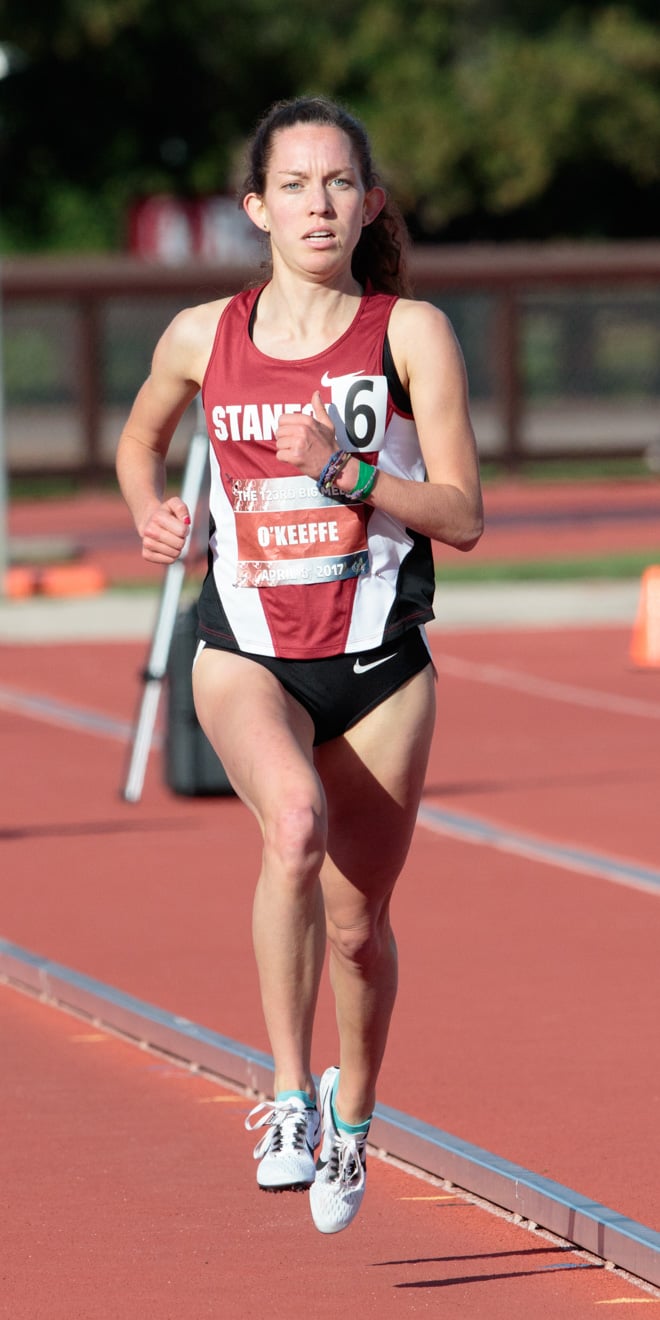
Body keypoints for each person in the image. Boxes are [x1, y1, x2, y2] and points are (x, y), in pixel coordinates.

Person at [116, 94, 483, 1235]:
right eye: (294, 185)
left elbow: (464, 515)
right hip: (247, 652)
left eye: (338, 184)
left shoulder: (409, 333)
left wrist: (351, 477)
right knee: (293, 827)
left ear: (366, 203)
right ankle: (283, 1093)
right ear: (255, 208)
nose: (318, 204)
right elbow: (140, 439)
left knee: (359, 923)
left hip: (379, 663)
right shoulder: (200, 334)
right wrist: (153, 510)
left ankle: (353, 1115)